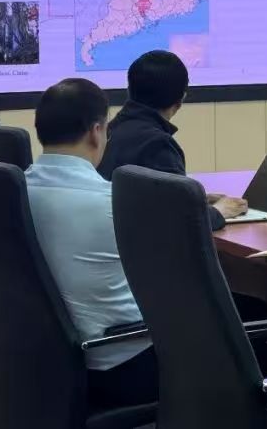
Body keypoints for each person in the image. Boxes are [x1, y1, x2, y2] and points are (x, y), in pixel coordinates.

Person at [24, 78, 157, 409]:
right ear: (97, 132)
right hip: (122, 363)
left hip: (46, 364)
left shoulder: (15, 190)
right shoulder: (113, 202)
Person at [99, 50, 247, 229]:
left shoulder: (109, 132)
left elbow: (150, 201)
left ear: (129, 89)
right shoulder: (158, 145)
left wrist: (196, 199)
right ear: (180, 100)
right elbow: (180, 218)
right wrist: (219, 211)